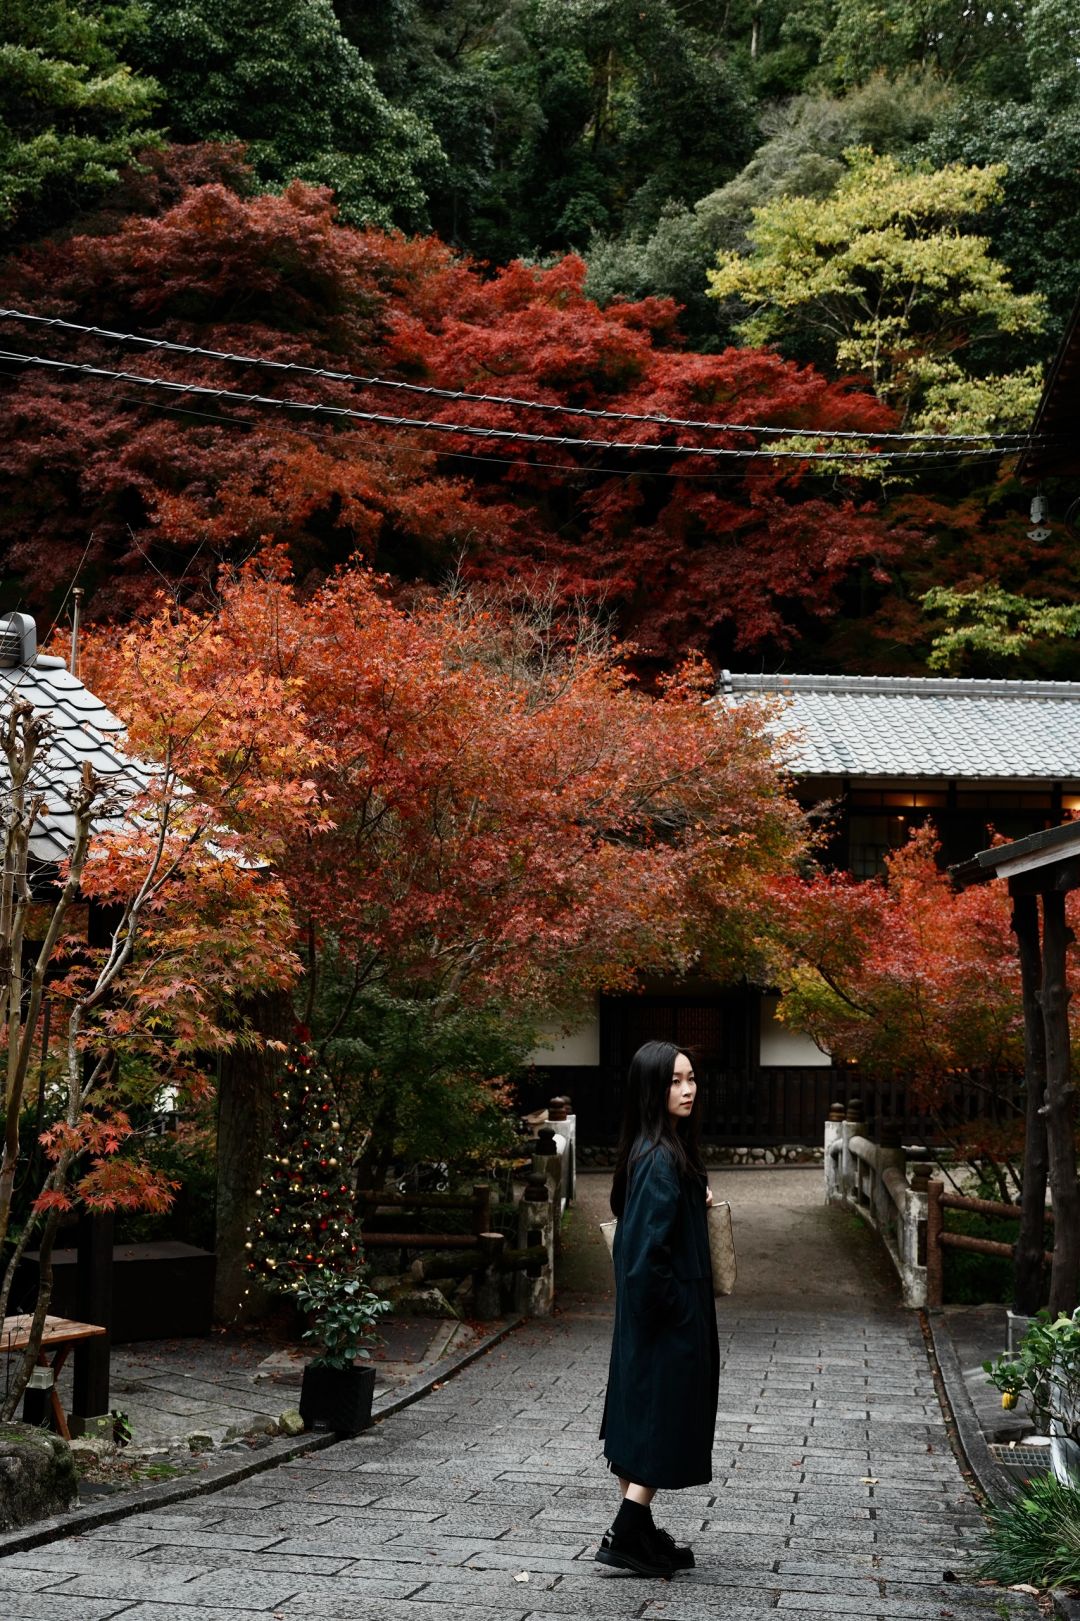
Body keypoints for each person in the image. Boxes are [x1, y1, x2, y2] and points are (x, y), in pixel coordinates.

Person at [596, 1039, 720, 1578]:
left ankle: (642, 1534)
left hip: (654, 1313)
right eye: (674, 1081)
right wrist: (678, 1311)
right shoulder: (661, 1158)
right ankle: (628, 1527)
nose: (687, 1089)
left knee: (647, 1413)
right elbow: (649, 1254)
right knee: (663, 1417)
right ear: (652, 1087)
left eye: (690, 1078)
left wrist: (701, 1196)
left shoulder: (659, 1150)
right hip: (667, 1315)